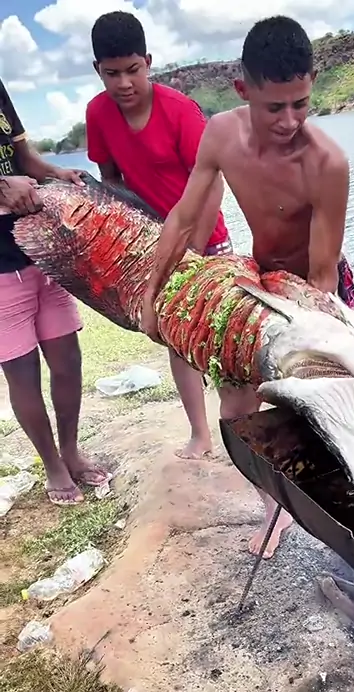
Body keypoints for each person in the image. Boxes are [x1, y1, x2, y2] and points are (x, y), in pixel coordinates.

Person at [141, 15, 354, 558]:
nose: (290, 121)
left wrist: (303, 350)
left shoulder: (327, 163)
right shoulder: (220, 134)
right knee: (236, 411)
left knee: (333, 411)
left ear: (313, 83)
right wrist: (150, 299)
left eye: (301, 104)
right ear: (243, 90)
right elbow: (183, 219)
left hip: (316, 296)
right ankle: (274, 508)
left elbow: (321, 276)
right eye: (274, 107)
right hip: (260, 284)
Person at [86, 10, 232, 460]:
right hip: (153, 244)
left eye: (133, 70)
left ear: (148, 62)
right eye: (112, 73)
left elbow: (213, 182)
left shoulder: (180, 110)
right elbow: (110, 182)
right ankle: (200, 435)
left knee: (223, 333)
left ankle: (240, 429)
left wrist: (195, 251)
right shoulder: (97, 113)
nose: (124, 83)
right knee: (175, 336)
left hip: (207, 240)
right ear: (98, 70)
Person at [0, 80, 107, 505]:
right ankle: (52, 465)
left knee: (67, 360)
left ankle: (71, 451)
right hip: (0, 270)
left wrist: (56, 173)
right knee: (22, 372)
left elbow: (23, 156)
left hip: (43, 252)